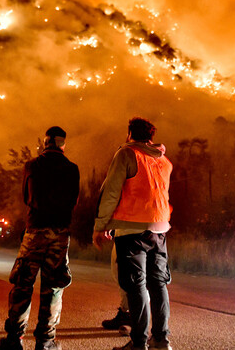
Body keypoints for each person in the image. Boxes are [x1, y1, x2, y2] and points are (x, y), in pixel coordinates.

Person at [93, 117, 173, 350]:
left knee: (136, 286)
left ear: (130, 134)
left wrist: (100, 226)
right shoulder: (164, 160)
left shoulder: (127, 154)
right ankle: (161, 341)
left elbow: (110, 193)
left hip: (131, 231)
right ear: (151, 136)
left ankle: (139, 344)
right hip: (159, 230)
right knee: (158, 285)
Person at [0, 126, 80, 350]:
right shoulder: (72, 169)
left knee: (23, 283)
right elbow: (73, 201)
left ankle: (14, 339)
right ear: (63, 144)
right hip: (60, 233)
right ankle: (46, 341)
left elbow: (26, 197)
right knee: (53, 286)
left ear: (45, 143)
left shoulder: (32, 166)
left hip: (34, 231)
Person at [101, 242, 132, 335]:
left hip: (128, 232)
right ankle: (160, 334)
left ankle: (129, 316)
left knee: (124, 273)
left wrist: (100, 227)